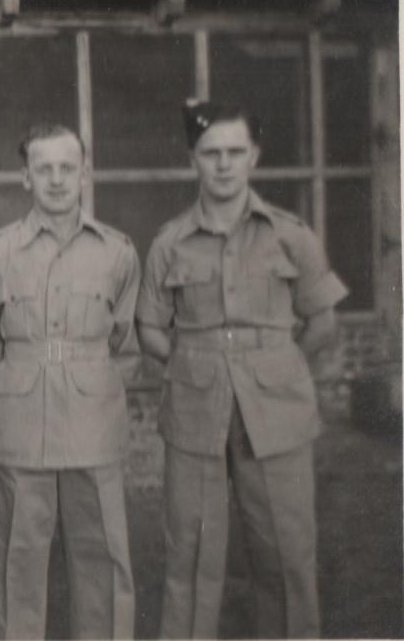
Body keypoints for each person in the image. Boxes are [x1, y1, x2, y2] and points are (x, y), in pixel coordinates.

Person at [136, 100, 348, 638]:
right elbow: (151, 330)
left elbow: (322, 322)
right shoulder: (170, 242)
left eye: (235, 152)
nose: (224, 165)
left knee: (286, 552)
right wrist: (194, 364)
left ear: (254, 156)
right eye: (212, 154)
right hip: (195, 411)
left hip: (277, 412)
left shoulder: (290, 235)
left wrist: (275, 365)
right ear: (193, 160)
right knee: (190, 553)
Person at [0, 122, 139, 639]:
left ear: (85, 173)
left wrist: (87, 378)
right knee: (16, 559)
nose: (56, 179)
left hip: (93, 421)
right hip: (20, 424)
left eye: (67, 167)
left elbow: (125, 342)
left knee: (102, 557)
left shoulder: (117, 252)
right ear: (25, 177)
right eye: (43, 169)